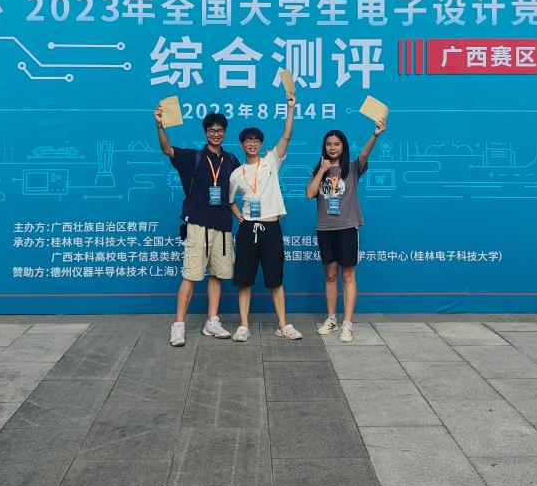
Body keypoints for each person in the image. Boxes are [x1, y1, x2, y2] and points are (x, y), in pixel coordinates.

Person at [155, 108, 239, 347]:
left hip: (222, 225)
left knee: (217, 275)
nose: (216, 134)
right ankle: (178, 325)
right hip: (197, 224)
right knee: (191, 275)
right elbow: (167, 149)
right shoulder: (194, 157)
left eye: (220, 130)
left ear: (224, 133)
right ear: (205, 133)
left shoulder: (232, 160)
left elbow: (243, 185)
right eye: (211, 130)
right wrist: (160, 126)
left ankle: (212, 321)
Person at [228, 90, 303, 342]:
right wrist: (240, 217)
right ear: (241, 145)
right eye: (247, 141)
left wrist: (290, 107)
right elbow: (229, 200)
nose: (252, 144)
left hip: (271, 229)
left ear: (261, 144)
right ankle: (243, 326)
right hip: (248, 230)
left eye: (256, 140)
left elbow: (287, 135)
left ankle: (282, 324)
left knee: (275, 280)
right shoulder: (236, 173)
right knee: (244, 280)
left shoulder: (272, 161)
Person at [305, 117, 387, 343]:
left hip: (347, 227)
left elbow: (365, 154)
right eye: (329, 144)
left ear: (343, 146)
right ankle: (331, 318)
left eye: (337, 144)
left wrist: (375, 134)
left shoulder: (351, 168)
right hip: (325, 228)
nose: (332, 148)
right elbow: (310, 194)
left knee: (348, 275)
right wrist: (322, 170)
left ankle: (347, 324)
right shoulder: (319, 169)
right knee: (330, 275)